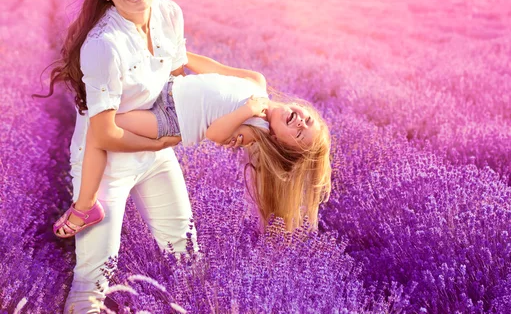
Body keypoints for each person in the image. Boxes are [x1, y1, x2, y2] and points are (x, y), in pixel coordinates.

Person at [36, 0, 193, 313]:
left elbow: (176, 80)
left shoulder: (169, 13)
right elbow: (104, 134)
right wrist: (161, 141)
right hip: (106, 163)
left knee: (187, 258)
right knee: (93, 279)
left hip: (154, 153)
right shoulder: (103, 45)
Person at [52, 60, 332, 238]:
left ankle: (86, 207)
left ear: (281, 145)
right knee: (106, 92)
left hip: (171, 121)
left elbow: (215, 133)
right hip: (168, 87)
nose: (299, 123)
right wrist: (181, 55)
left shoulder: (255, 130)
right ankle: (76, 68)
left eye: (297, 135)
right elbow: (214, 69)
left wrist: (247, 110)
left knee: (104, 122)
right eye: (307, 120)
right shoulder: (257, 81)